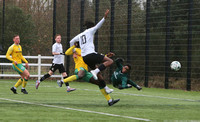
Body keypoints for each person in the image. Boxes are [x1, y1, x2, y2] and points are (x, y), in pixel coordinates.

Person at [69, 9, 113, 80]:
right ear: (91, 27)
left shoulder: (80, 35)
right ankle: (95, 71)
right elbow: (97, 26)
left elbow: (71, 42)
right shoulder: (90, 31)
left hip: (85, 58)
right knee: (110, 61)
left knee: (98, 74)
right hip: (91, 55)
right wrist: (104, 17)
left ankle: (105, 88)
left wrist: (73, 52)